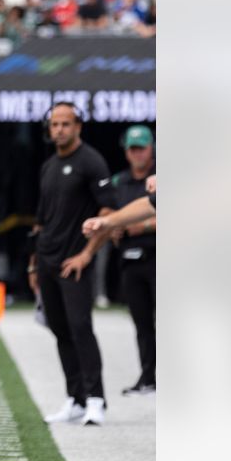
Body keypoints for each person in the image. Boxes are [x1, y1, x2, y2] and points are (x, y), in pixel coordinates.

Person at [28, 102, 114, 427]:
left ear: (78, 126)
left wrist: (87, 254)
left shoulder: (91, 161)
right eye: (55, 124)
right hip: (47, 262)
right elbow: (41, 220)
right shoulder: (49, 165)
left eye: (66, 123)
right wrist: (33, 265)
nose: (60, 129)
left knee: (81, 328)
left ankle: (96, 400)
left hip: (74, 261)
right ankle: (75, 399)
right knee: (60, 330)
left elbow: (108, 214)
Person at [102, 126, 156, 395]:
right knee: (141, 322)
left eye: (142, 148)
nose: (137, 154)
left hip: (158, 257)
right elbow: (110, 211)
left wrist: (141, 226)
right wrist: (112, 226)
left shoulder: (158, 179)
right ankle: (148, 377)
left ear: (152, 149)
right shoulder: (118, 182)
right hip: (129, 259)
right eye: (132, 149)